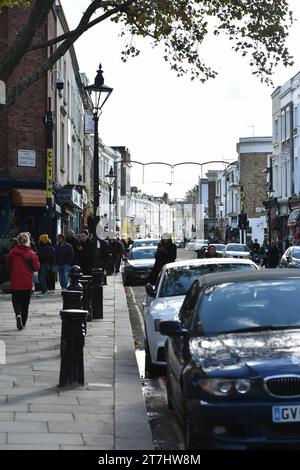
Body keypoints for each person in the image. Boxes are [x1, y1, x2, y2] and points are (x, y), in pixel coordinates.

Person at [6, 232, 40, 330]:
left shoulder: (12, 252)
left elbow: (8, 266)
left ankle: (18, 314)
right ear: (28, 241)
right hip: (27, 282)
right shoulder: (31, 254)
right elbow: (36, 268)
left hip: (15, 281)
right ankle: (23, 322)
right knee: (25, 303)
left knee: (16, 301)